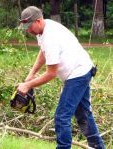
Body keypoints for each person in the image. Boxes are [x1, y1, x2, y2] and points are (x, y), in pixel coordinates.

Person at [17, 6, 105, 149]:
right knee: (83, 114)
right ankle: (98, 147)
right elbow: (43, 52)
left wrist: (28, 85)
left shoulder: (51, 36)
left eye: (29, 26)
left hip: (78, 73)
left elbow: (51, 74)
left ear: (38, 21)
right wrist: (31, 74)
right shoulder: (43, 30)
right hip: (80, 70)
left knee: (61, 116)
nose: (28, 30)